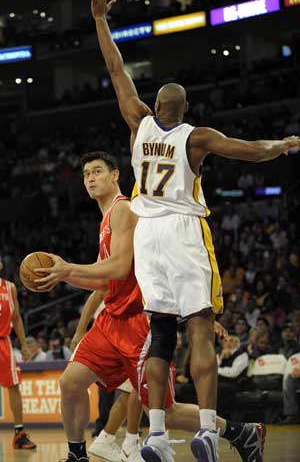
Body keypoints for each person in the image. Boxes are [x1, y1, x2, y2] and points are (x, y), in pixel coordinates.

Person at [85, 0, 300, 462]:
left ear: (155, 105)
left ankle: (157, 435)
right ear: (184, 110)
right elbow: (251, 151)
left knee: (160, 334)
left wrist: (100, 19)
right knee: (200, 327)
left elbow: (116, 69)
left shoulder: (136, 121)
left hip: (147, 236)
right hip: (182, 231)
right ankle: (206, 429)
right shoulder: (197, 136)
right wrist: (285, 145)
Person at [35, 152, 266, 462]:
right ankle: (78, 455)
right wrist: (64, 277)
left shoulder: (123, 211)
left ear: (115, 175)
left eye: (97, 171)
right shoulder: (105, 220)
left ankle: (241, 432)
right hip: (110, 322)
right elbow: (105, 283)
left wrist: (68, 269)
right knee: (70, 383)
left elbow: (117, 268)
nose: (90, 177)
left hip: (138, 323)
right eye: (86, 173)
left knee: (166, 413)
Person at [0, 259, 36, 449]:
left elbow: (16, 318)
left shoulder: (9, 288)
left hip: (3, 342)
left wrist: (23, 344)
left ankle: (19, 433)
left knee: (14, 386)